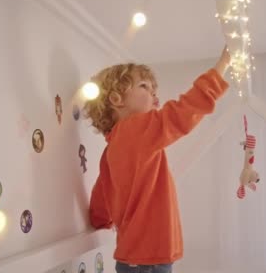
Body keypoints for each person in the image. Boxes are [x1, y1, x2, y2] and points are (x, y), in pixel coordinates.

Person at [84, 46, 231, 273]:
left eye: (154, 89)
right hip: (146, 262)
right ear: (116, 99)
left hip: (137, 259)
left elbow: (101, 200)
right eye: (144, 87)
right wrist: (222, 66)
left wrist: (101, 221)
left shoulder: (110, 151)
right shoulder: (133, 130)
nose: (154, 95)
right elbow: (181, 113)